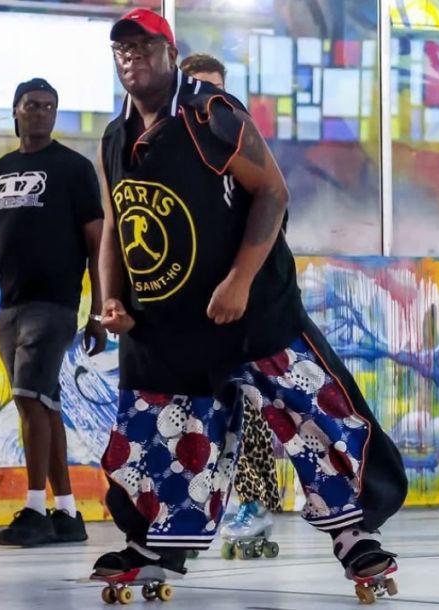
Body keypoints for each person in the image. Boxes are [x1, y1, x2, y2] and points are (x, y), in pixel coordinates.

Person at [91, 7, 407, 589]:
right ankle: (152, 543)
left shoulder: (211, 114)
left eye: (143, 45)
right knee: (160, 433)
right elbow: (114, 224)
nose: (131, 55)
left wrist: (238, 280)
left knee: (314, 415)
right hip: (168, 325)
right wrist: (110, 298)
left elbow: (273, 193)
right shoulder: (115, 138)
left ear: (170, 53)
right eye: (121, 48)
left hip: (249, 312)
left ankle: (355, 536)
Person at [0, 77, 106, 547]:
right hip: (11, 306)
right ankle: (66, 513)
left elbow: (96, 241)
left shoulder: (74, 169)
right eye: (32, 105)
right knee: (44, 404)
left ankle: (34, 509)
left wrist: (98, 309)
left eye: (49, 106)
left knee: (28, 401)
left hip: (54, 305)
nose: (40, 112)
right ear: (15, 110)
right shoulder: (3, 169)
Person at [180, 51, 283, 551]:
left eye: (214, 89)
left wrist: (244, 280)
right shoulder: (173, 149)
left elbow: (272, 207)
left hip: (244, 295)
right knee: (205, 407)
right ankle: (198, 502)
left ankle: (256, 502)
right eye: (195, 87)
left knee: (252, 398)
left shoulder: (237, 138)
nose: (205, 99)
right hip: (194, 303)